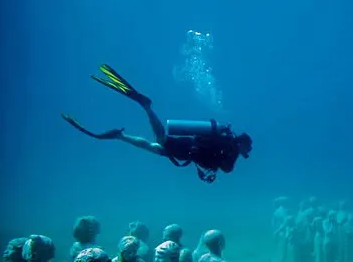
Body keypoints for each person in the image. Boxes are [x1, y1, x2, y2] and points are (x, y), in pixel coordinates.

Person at [61, 64, 252, 183]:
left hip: (189, 150)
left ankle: (121, 136)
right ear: (242, 143)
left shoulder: (227, 142)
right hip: (188, 148)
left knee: (155, 147)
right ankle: (147, 107)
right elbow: (227, 168)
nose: (247, 152)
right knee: (160, 140)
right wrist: (234, 156)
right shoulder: (231, 148)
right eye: (247, 148)